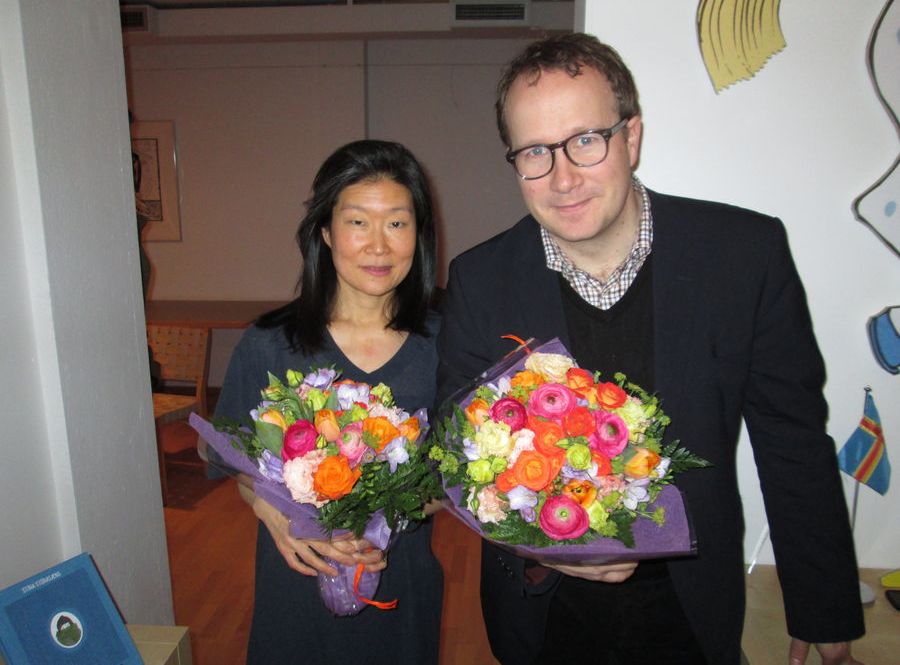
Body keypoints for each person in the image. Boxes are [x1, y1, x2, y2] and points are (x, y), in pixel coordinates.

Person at [436, 33, 864, 664]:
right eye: (535, 152)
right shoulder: (481, 280)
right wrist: (537, 544)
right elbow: (452, 453)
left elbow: (791, 440)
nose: (563, 178)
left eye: (586, 140)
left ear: (631, 138)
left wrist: (823, 608)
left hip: (692, 607)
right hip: (546, 617)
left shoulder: (743, 255)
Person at [215, 140, 443, 663]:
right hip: (297, 578)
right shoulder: (269, 344)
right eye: (358, 222)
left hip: (400, 584)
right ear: (325, 231)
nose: (378, 246)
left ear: (419, 234)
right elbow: (235, 459)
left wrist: (382, 516)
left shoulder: (445, 345)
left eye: (397, 223)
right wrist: (271, 509)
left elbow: (457, 480)